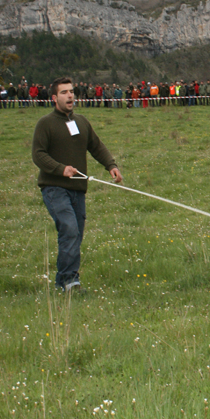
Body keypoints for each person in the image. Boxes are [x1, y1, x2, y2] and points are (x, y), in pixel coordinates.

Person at [32, 77, 123, 293]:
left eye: (71, 91)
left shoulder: (81, 122)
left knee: (76, 234)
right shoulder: (45, 124)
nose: (70, 95)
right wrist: (60, 168)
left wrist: (111, 165)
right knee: (69, 229)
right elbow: (38, 154)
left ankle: (62, 282)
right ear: (54, 98)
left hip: (78, 190)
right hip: (54, 188)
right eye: (64, 92)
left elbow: (96, 146)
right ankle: (70, 282)